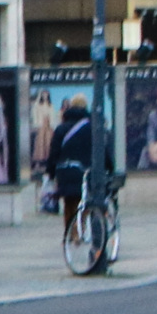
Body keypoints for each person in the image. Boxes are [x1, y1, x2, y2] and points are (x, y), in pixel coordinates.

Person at [49, 95, 94, 232]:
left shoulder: (61, 128)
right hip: (85, 170)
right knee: (84, 201)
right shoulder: (91, 127)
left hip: (65, 171)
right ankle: (81, 229)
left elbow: (54, 153)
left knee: (69, 203)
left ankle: (70, 233)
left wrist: (51, 173)